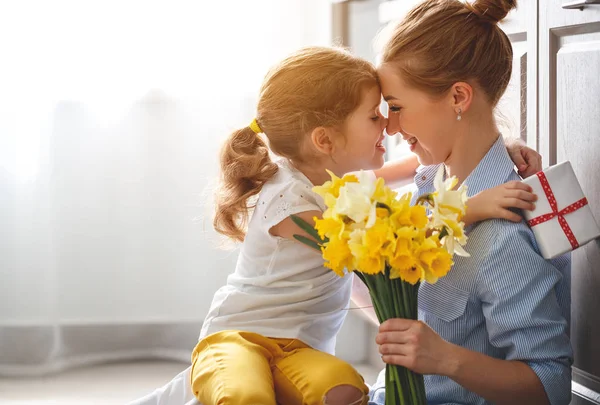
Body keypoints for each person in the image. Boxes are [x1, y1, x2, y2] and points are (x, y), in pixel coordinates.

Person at [192, 46, 542, 405]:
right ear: (325, 140)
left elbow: (417, 164)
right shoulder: (288, 204)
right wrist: (468, 208)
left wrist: (503, 147)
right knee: (245, 395)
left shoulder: (335, 178)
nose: (388, 125)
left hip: (298, 348)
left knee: (345, 390)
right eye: (374, 116)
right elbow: (377, 242)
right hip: (239, 337)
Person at [367, 1, 573, 404]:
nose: (389, 126)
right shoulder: (424, 191)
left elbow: (552, 386)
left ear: (459, 97)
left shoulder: (502, 237)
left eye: (396, 107)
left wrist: (445, 359)